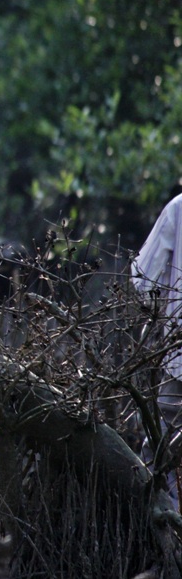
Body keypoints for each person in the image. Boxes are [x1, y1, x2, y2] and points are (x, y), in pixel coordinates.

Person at [133, 192, 182, 502]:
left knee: (159, 455)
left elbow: (142, 280)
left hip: (180, 362)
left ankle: (165, 522)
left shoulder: (179, 208)